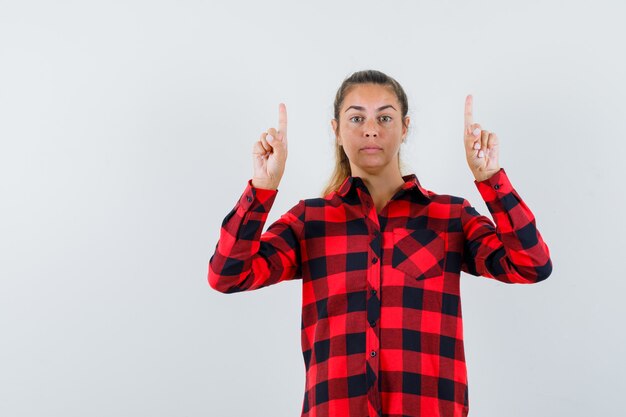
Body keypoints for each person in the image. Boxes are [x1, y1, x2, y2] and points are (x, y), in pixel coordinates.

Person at [208, 69, 552, 417]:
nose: (370, 129)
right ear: (336, 131)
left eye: (384, 117)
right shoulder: (310, 221)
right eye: (356, 117)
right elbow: (227, 274)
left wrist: (491, 180)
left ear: (404, 128)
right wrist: (262, 188)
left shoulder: (449, 217)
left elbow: (531, 265)